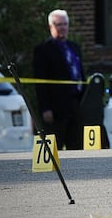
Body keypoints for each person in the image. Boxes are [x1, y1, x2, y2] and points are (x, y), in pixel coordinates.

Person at [33, 9, 85, 150]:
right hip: (56, 107)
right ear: (51, 27)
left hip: (75, 103)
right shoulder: (43, 50)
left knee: (76, 144)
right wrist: (45, 108)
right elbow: (40, 82)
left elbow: (80, 73)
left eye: (65, 24)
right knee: (55, 145)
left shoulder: (74, 47)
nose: (63, 28)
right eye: (59, 24)